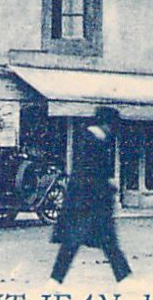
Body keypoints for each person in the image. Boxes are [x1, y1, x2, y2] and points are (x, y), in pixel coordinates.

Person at [50, 106, 132, 284]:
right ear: (107, 124)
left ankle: (56, 280)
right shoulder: (94, 141)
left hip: (84, 201)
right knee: (87, 241)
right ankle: (124, 278)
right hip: (88, 202)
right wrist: (107, 187)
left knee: (81, 242)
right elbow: (90, 174)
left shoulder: (91, 138)